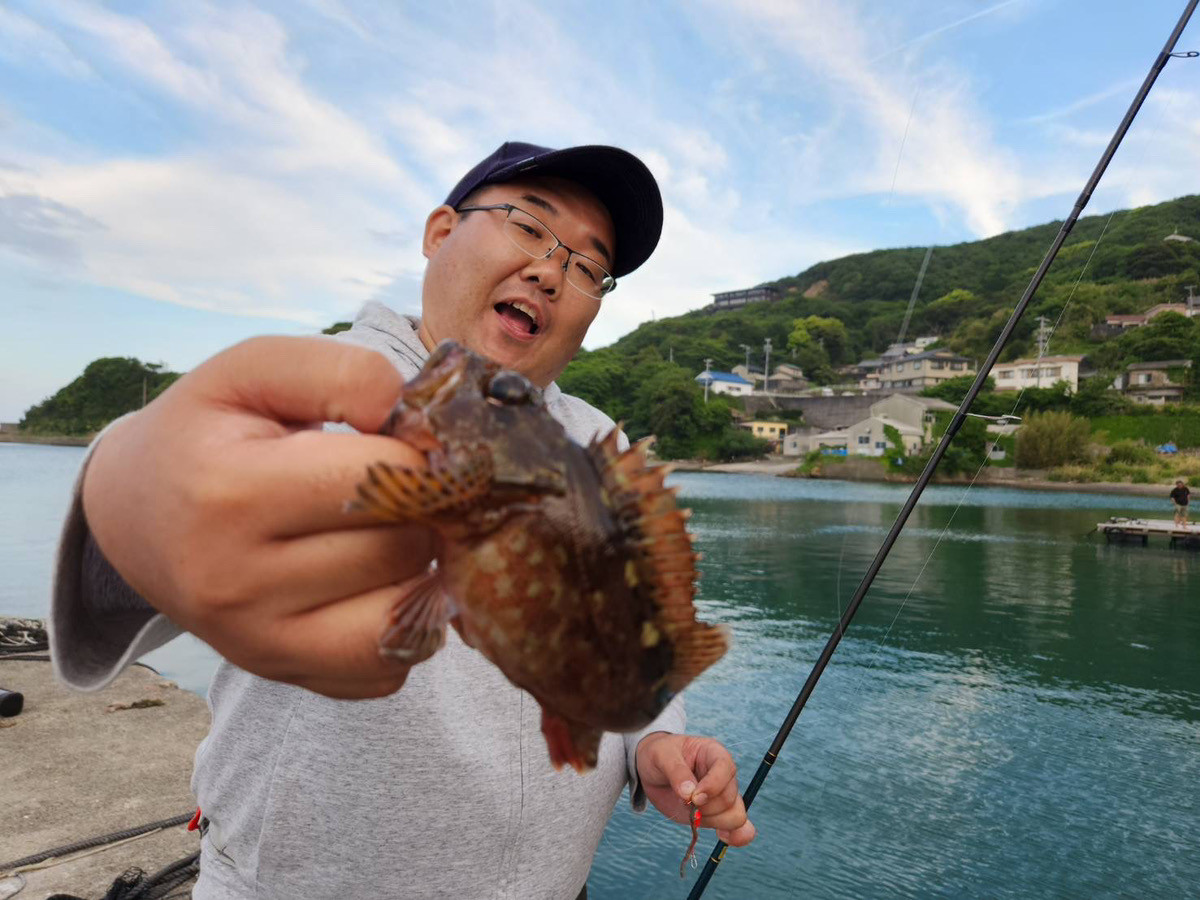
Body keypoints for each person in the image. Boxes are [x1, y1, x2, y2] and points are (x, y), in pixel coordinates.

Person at [50, 141, 755, 899]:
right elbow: (167, 500)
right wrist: (123, 495)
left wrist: (655, 739)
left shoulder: (597, 444)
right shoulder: (314, 394)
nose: (551, 271)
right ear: (440, 231)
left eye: (588, 266)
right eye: (528, 224)